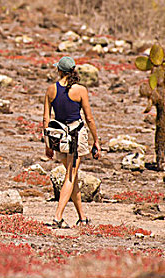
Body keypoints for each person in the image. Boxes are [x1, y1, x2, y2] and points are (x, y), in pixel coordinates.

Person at [43, 56, 100, 228]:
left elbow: (46, 118)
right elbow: (89, 118)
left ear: (59, 70)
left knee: (72, 177)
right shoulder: (81, 90)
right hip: (76, 137)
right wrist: (96, 140)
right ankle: (57, 217)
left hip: (58, 138)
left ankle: (82, 218)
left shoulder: (51, 90)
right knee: (70, 175)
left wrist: (47, 144)